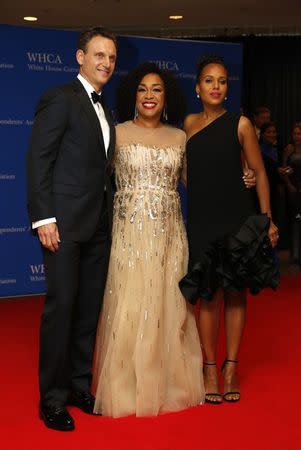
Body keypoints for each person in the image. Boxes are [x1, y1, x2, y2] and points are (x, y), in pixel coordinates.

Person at [92, 62, 205, 418]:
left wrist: (243, 180)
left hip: (170, 235)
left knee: (168, 307)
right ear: (132, 96)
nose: (149, 96)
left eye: (156, 89)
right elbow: (94, 180)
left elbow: (199, 185)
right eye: (142, 89)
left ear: (166, 96)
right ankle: (126, 389)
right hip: (128, 234)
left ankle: (168, 384)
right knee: (129, 303)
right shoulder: (116, 133)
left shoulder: (179, 137)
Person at [26, 27, 117, 431]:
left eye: (112, 58)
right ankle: (52, 399)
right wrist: (44, 218)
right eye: (99, 55)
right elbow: (37, 161)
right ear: (80, 57)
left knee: (87, 311)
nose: (106, 64)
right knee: (61, 310)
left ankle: (79, 385)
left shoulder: (106, 108)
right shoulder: (60, 99)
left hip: (98, 225)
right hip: (62, 226)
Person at [179, 56, 279, 405]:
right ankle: (209, 368)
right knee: (208, 295)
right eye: (209, 80)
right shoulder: (188, 124)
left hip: (236, 218)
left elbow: (260, 173)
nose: (216, 87)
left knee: (235, 293)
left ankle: (231, 367)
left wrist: (267, 219)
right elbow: (182, 171)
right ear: (198, 87)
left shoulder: (242, 124)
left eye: (222, 81)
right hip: (202, 219)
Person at [282, 123, 301, 264]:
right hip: (293, 189)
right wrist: (289, 185)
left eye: (299, 134)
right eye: (295, 133)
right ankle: (295, 253)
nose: (297, 136)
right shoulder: (289, 149)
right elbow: (284, 169)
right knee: (295, 220)